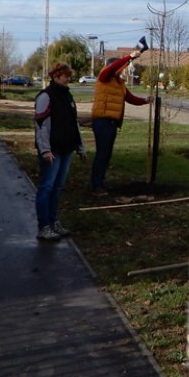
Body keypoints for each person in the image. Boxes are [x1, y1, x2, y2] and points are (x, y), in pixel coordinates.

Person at [33, 62, 86, 242]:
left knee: (57, 187)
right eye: (65, 76)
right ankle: (44, 226)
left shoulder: (68, 96)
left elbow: (74, 124)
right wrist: (45, 150)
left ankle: (54, 222)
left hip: (66, 149)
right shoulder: (46, 97)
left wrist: (80, 147)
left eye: (69, 76)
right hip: (52, 151)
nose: (68, 79)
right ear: (56, 76)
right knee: (46, 187)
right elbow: (41, 126)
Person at [90, 50, 151, 195]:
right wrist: (129, 57)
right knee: (102, 154)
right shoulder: (104, 77)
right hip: (102, 121)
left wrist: (145, 101)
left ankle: (99, 183)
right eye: (121, 68)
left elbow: (130, 98)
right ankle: (96, 185)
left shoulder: (119, 84)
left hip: (112, 123)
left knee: (106, 154)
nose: (122, 71)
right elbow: (111, 69)